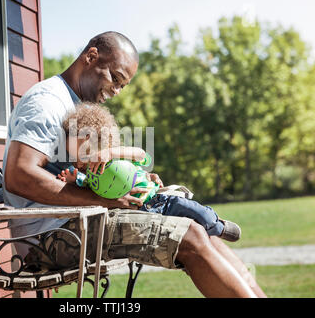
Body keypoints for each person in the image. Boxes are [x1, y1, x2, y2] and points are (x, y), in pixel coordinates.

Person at [3, 31, 267, 297]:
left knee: (199, 228)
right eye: (115, 79)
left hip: (78, 221)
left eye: (122, 85)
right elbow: (20, 176)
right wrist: (107, 201)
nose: (116, 91)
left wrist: (132, 179)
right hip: (49, 239)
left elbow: (94, 170)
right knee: (189, 238)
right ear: (91, 56)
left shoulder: (75, 105)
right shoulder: (47, 102)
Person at [57, 103, 242, 242]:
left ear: (97, 141)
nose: (77, 162)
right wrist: (73, 179)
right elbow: (87, 187)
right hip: (138, 214)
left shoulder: (120, 156)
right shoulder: (89, 175)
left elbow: (143, 155)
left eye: (82, 154)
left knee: (193, 210)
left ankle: (217, 226)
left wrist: (111, 153)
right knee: (180, 234)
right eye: (73, 157)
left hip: (158, 200)